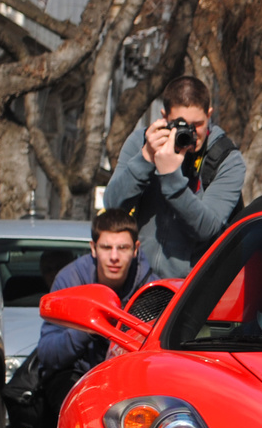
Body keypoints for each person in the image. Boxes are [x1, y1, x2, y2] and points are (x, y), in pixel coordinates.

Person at [103, 75, 246, 280]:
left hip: (192, 291)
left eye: (198, 124)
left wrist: (171, 177)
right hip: (139, 283)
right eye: (180, 124)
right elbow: (113, 206)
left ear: (209, 115)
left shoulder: (226, 159)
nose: (190, 133)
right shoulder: (142, 143)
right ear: (164, 116)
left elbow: (207, 227)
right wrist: (145, 159)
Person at [32, 208, 152, 407]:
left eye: (122, 248)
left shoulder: (151, 289)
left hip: (130, 380)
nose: (114, 257)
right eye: (106, 247)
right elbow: (47, 354)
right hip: (77, 378)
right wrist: (88, 328)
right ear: (94, 249)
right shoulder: (70, 281)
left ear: (136, 249)